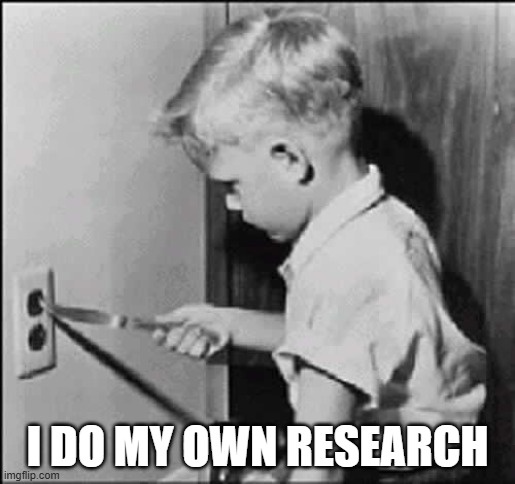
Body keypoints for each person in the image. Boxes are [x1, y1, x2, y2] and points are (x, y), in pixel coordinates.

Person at [152, 8, 486, 483]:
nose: (231, 204)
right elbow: (346, 336)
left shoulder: (341, 276)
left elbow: (319, 466)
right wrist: (230, 323)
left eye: (233, 185)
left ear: (289, 159)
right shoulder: (387, 222)